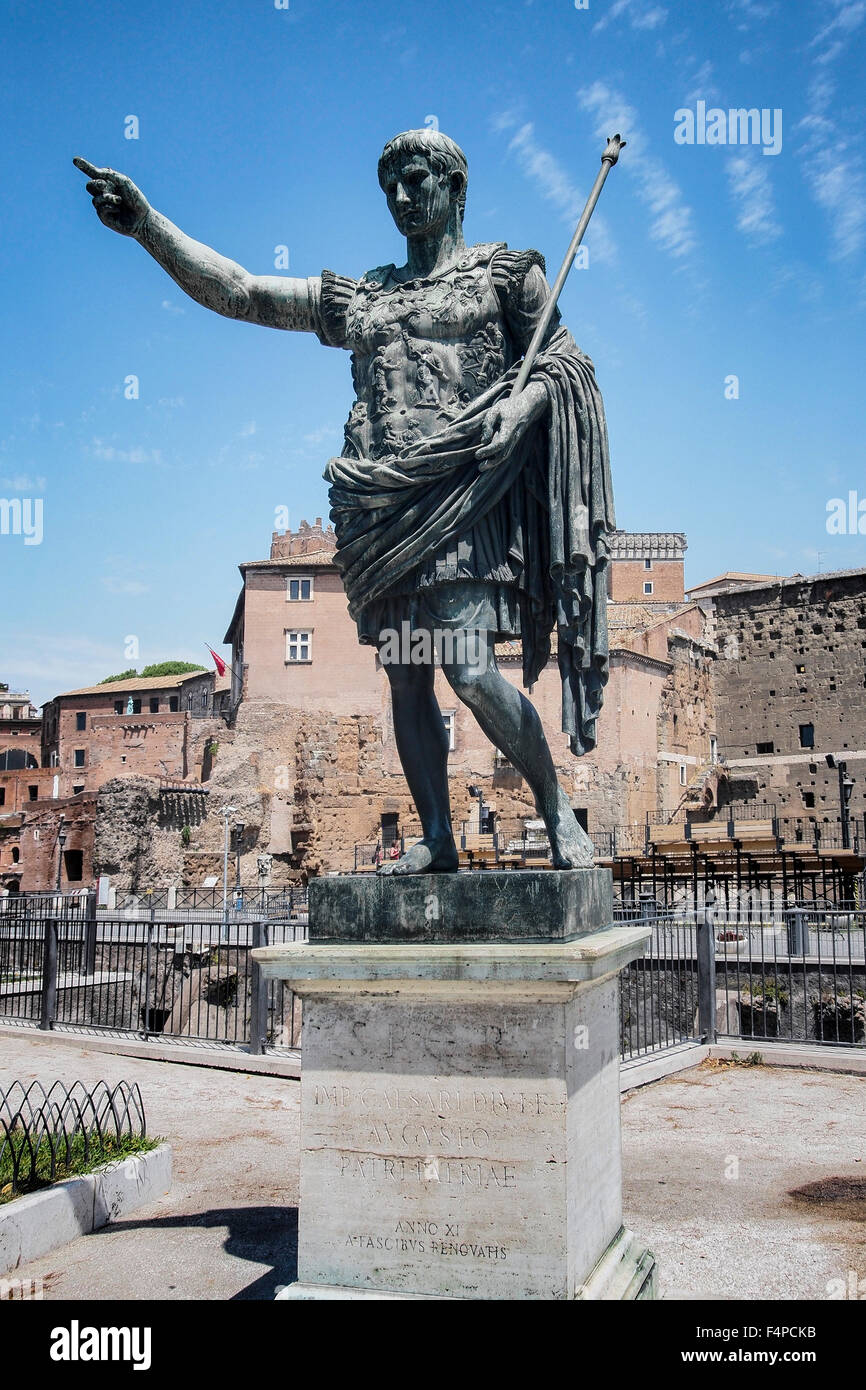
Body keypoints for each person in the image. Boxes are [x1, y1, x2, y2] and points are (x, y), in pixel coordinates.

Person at [74, 128, 614, 875]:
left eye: (415, 178)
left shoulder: (504, 276)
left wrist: (520, 412)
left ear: (456, 187)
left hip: (461, 496)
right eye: (388, 184)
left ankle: (555, 811)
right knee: (404, 673)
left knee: (468, 667)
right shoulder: (364, 297)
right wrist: (147, 228)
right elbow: (246, 293)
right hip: (379, 509)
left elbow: (566, 363)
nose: (400, 196)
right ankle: (437, 837)